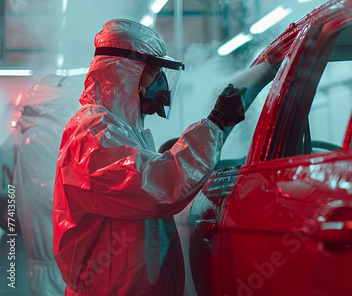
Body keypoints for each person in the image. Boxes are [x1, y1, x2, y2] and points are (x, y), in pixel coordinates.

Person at [52, 18, 259, 295]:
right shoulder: (91, 134)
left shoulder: (117, 129)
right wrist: (215, 124)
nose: (160, 84)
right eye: (153, 71)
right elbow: (159, 186)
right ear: (124, 71)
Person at [14, 74, 82, 295]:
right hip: (52, 269)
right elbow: (51, 195)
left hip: (56, 266)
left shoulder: (43, 135)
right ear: (55, 106)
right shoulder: (37, 138)